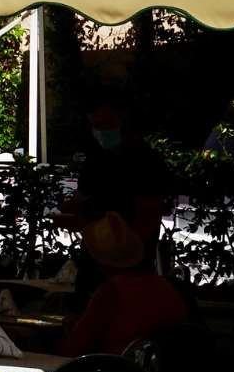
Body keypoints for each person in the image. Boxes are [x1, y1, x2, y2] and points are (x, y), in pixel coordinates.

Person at [55, 92, 172, 250]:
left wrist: (88, 224)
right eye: (95, 126)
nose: (101, 131)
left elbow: (143, 229)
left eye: (107, 124)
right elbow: (80, 206)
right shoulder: (94, 161)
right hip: (92, 262)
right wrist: (72, 212)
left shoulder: (148, 163)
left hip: (132, 265)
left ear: (125, 118)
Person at [61, 212, 187, 357]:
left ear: (96, 258)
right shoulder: (165, 286)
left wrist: (69, 326)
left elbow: (73, 350)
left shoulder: (112, 292)